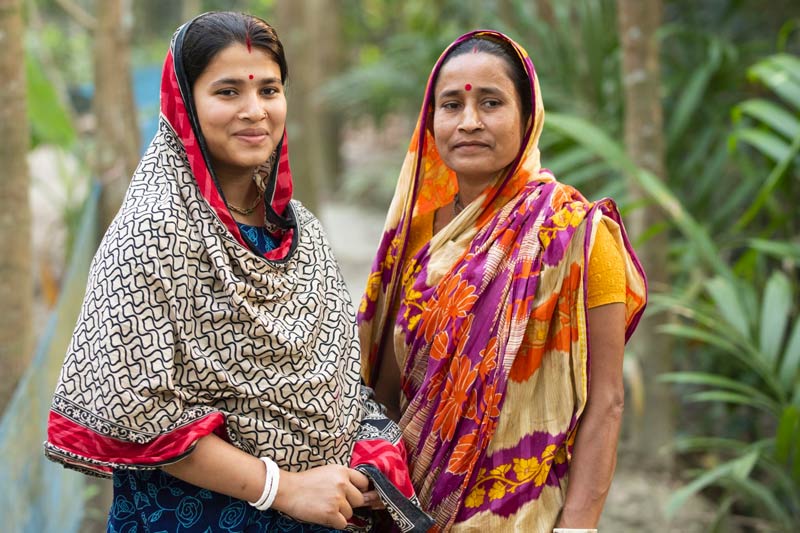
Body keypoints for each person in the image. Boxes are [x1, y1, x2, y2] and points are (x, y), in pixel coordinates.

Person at [44, 12, 431, 533]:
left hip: (323, 512)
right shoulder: (154, 230)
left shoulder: (302, 233)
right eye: (228, 92)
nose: (255, 111)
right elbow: (138, 413)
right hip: (192, 518)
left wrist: (368, 458)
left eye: (269, 90)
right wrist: (286, 488)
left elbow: (336, 381)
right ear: (184, 104)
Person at [358, 30, 648, 532]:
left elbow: (607, 401)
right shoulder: (417, 236)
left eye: (491, 102)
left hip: (530, 515)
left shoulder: (577, 234)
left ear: (527, 115)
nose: (469, 122)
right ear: (431, 121)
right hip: (410, 511)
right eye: (451, 105)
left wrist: (579, 526)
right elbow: (383, 388)